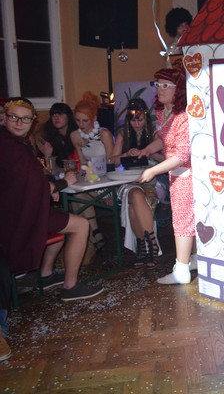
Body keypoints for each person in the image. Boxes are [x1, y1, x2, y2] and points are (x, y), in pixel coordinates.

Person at [0, 97, 104, 303]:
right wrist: (60, 184)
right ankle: (70, 287)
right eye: (14, 117)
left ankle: (46, 275)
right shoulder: (12, 148)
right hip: (18, 220)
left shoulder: (10, 142)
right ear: (5, 118)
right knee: (81, 225)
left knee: (62, 219)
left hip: (14, 213)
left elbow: (29, 181)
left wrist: (48, 186)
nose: (19, 123)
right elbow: (31, 186)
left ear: (32, 122)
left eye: (25, 119)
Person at [137, 67, 196, 284]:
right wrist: (148, 149)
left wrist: (153, 170)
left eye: (165, 85)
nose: (159, 89)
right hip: (176, 174)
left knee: (182, 221)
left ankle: (182, 270)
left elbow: (182, 155)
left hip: (187, 175)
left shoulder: (183, 116)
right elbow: (163, 139)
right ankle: (193, 259)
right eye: (157, 85)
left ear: (177, 89)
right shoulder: (165, 112)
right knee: (186, 219)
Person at [111, 98, 165, 267]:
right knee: (134, 193)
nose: (136, 124)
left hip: (151, 178)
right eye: (133, 120)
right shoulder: (123, 134)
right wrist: (126, 154)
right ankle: (152, 244)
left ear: (146, 117)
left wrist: (149, 152)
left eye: (140, 119)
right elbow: (112, 160)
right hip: (128, 179)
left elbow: (167, 160)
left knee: (133, 206)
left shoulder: (154, 133)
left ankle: (143, 247)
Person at [70, 92, 115, 252]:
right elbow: (82, 162)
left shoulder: (104, 134)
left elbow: (111, 162)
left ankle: (92, 238)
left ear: (94, 118)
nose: (81, 124)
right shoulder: (75, 135)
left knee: (78, 198)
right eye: (77, 120)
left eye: (85, 120)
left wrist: (96, 174)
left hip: (107, 182)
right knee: (76, 196)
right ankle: (95, 234)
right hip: (91, 179)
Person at [35, 102, 79, 168]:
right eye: (54, 115)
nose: (56, 117)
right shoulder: (47, 136)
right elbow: (47, 168)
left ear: (68, 116)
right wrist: (48, 156)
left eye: (60, 114)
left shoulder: (77, 134)